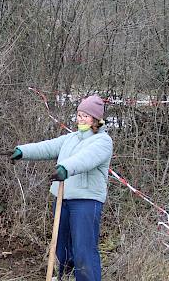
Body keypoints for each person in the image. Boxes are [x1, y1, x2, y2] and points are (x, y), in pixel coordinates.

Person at [8, 95, 113, 281]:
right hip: (63, 199)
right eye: (79, 114)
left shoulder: (103, 141)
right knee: (62, 249)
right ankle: (67, 278)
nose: (80, 119)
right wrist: (22, 152)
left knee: (84, 250)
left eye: (86, 116)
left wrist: (65, 168)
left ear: (96, 119)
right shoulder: (71, 138)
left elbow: (85, 159)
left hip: (86, 202)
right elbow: (46, 147)